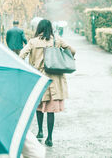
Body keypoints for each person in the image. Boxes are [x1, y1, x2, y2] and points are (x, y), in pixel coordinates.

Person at [19, 19, 75, 147]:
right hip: (54, 79)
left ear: (38, 28)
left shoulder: (33, 42)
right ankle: (49, 137)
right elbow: (72, 50)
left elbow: (22, 54)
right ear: (50, 28)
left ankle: (40, 131)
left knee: (39, 107)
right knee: (51, 110)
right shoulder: (57, 40)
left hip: (39, 79)